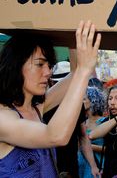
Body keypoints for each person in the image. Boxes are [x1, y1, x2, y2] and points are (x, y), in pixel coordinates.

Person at [0, 20, 101, 177]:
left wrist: (75, 30)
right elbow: (56, 136)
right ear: (16, 65)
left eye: (49, 65)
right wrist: (84, 70)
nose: (48, 72)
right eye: (40, 64)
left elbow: (74, 73)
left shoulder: (37, 107)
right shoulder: (3, 118)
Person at [79, 86, 107, 178]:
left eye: (84, 99)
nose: (80, 102)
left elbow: (110, 148)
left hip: (97, 166)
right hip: (81, 165)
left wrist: (88, 146)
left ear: (93, 100)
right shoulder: (81, 123)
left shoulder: (104, 122)